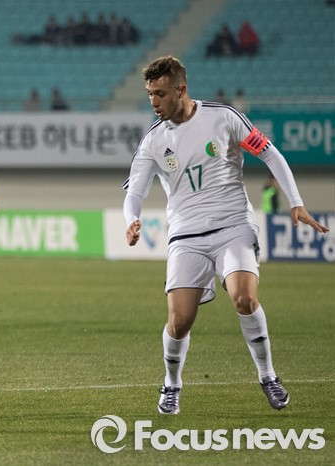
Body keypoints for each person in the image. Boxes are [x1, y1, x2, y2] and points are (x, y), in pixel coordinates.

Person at [122, 56, 329, 415]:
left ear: (181, 90)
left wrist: (295, 201)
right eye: (150, 94)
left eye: (160, 93)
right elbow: (134, 193)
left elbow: (271, 155)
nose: (153, 101)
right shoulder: (153, 141)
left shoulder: (223, 118)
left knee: (244, 298)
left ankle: (268, 376)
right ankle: (171, 384)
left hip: (233, 226)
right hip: (186, 236)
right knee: (179, 322)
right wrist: (131, 219)